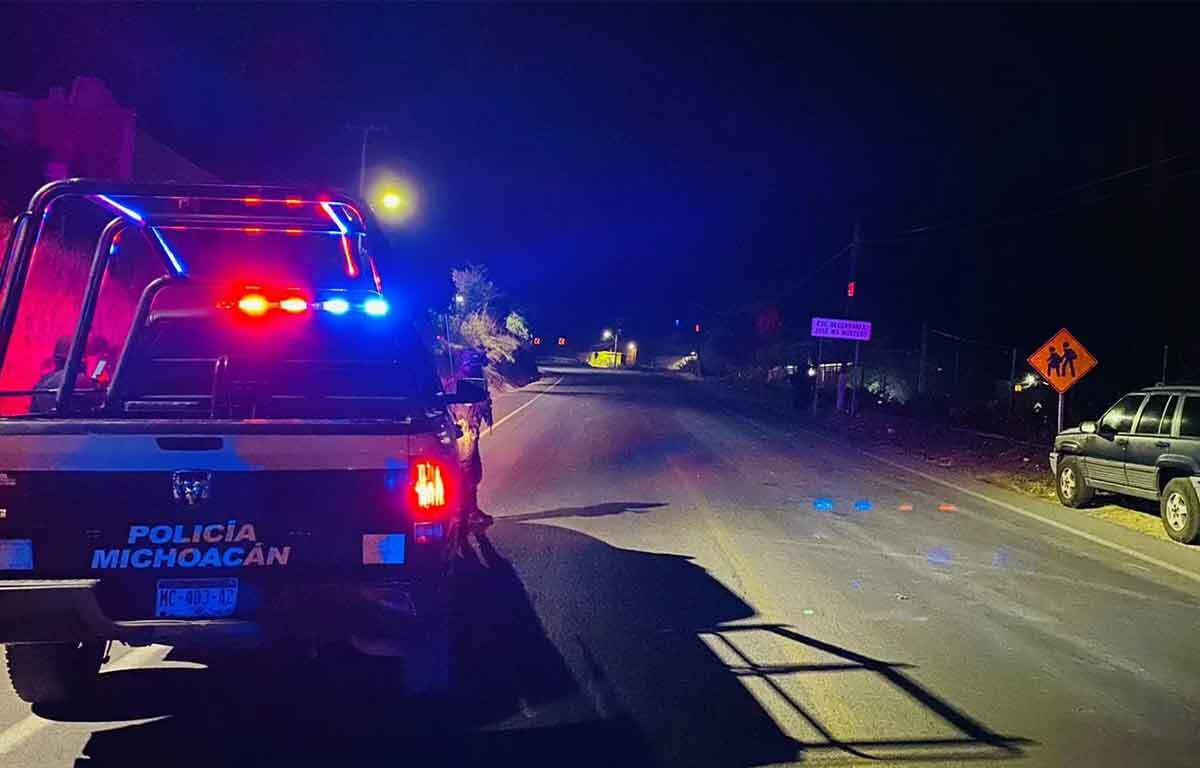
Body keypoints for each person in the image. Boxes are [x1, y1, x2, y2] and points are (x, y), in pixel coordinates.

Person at [450, 345, 494, 534]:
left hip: (465, 432)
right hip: (464, 432)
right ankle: (463, 514)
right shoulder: (462, 382)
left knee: (471, 472)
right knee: (467, 473)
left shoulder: (461, 380)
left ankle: (469, 512)